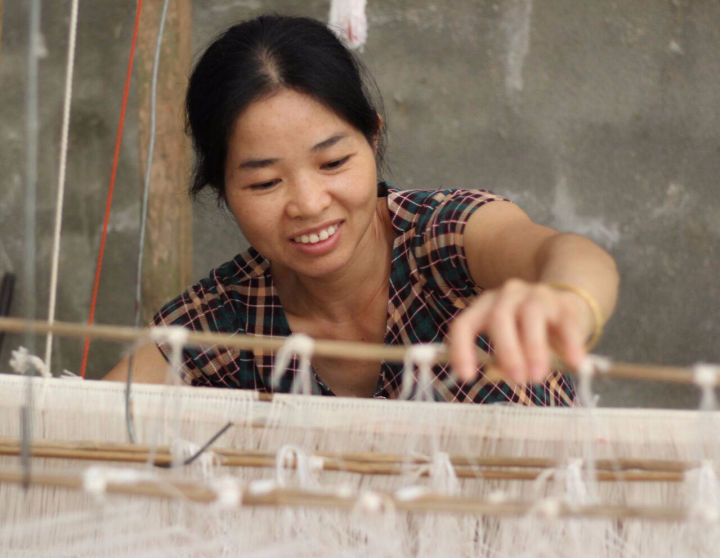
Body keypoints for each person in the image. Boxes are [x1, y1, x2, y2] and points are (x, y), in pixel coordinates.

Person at [104, 14, 618, 405]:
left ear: (372, 139)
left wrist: (565, 303)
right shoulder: (221, 323)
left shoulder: (443, 240)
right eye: (264, 182)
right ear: (223, 192)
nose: (308, 204)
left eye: (332, 162)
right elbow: (87, 421)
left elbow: (569, 254)